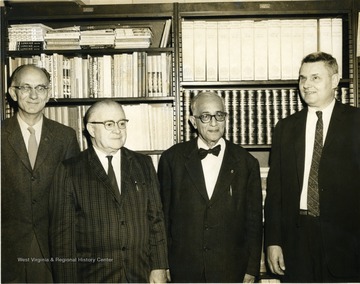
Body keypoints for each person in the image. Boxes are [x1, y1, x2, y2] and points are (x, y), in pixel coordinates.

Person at [264, 51, 360, 282]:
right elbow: (275, 192)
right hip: (297, 241)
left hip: (347, 243)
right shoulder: (285, 129)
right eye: (302, 78)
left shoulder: (356, 122)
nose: (306, 85)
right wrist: (273, 241)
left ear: (335, 81)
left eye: (315, 77)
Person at [49, 99, 168, 283]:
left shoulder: (143, 164)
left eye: (122, 123)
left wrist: (159, 267)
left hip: (140, 274)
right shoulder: (70, 170)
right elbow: (63, 239)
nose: (118, 130)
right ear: (91, 129)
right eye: (109, 124)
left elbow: (156, 220)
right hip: (93, 276)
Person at [157, 91, 263, 283]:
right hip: (184, 269)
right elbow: (163, 217)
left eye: (219, 115)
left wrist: (251, 268)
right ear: (192, 121)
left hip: (231, 270)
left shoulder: (246, 163)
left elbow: (254, 222)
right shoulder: (172, 160)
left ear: (225, 118)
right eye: (206, 116)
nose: (214, 123)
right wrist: (162, 263)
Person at [1, 64, 80, 283]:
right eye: (26, 87)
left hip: (53, 248)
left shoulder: (65, 137)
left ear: (49, 93)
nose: (34, 95)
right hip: (5, 250)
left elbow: (74, 197)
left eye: (41, 88)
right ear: (13, 93)